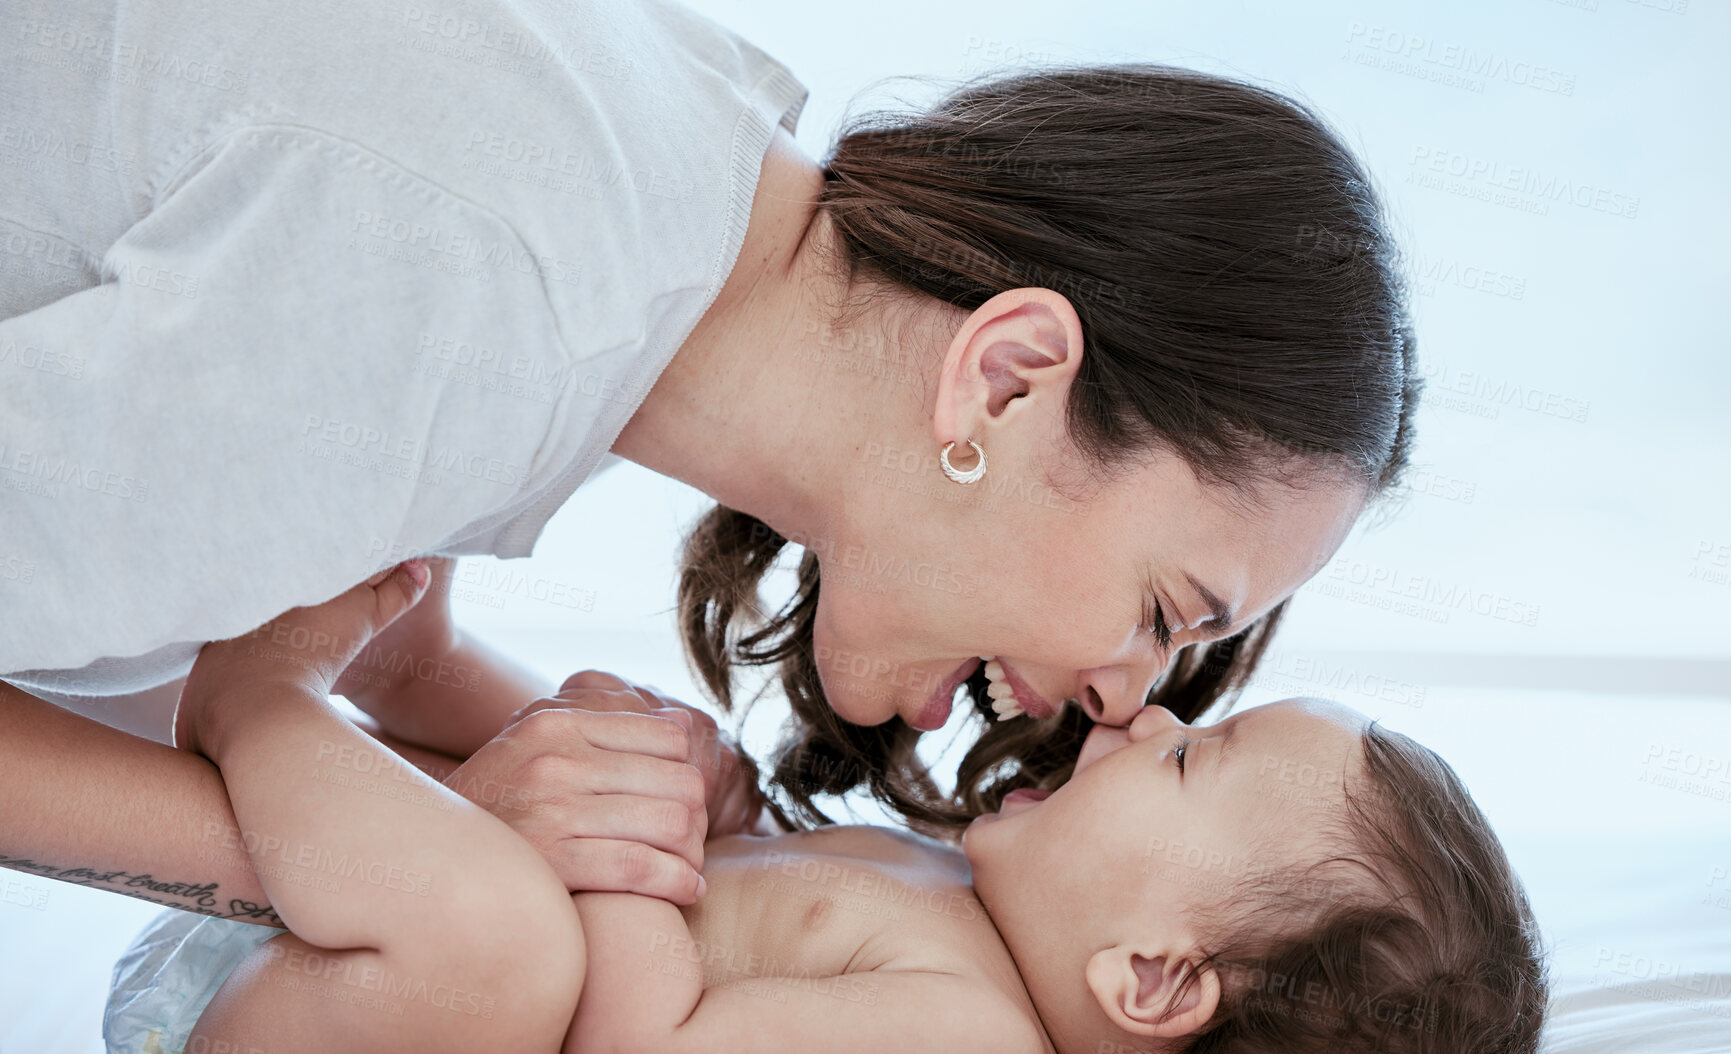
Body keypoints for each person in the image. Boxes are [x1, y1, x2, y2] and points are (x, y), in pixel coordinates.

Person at [2, 2, 1419, 913]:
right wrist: (400, 861)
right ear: (1007, 377)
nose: (1124, 701)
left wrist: (538, 789)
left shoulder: (650, 175)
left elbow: (131, 579)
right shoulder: (477, 289)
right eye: (1168, 614)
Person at [106, 565, 1544, 1054]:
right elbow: (740, 899)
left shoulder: (973, 1039)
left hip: (289, 1043)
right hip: (310, 944)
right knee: (630, 772)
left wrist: (641, 857)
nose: (1142, 719)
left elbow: (639, 1053)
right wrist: (715, 807)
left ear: (1152, 983)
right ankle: (404, 666)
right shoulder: (947, 896)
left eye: (1187, 764)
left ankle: (259, 701)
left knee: (511, 938)